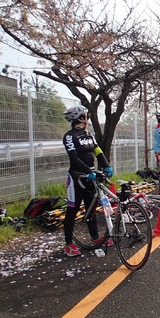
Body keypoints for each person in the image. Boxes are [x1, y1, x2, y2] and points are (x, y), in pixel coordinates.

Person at [62, 106, 114, 257]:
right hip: (76, 177)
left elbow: (98, 151)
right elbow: (74, 159)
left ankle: (94, 237)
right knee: (72, 210)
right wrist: (88, 171)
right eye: (86, 116)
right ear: (80, 118)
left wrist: (106, 165)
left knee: (91, 208)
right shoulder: (69, 136)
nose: (88, 118)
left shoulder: (88, 134)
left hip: (91, 176)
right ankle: (68, 243)